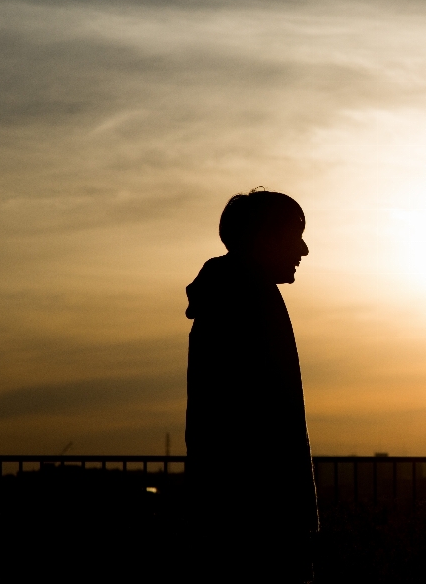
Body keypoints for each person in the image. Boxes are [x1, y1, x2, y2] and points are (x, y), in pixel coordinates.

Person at [185, 189, 318, 583]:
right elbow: (261, 420)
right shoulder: (246, 299)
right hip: (256, 514)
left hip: (236, 510)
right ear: (264, 238)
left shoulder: (234, 293)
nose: (304, 249)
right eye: (295, 235)